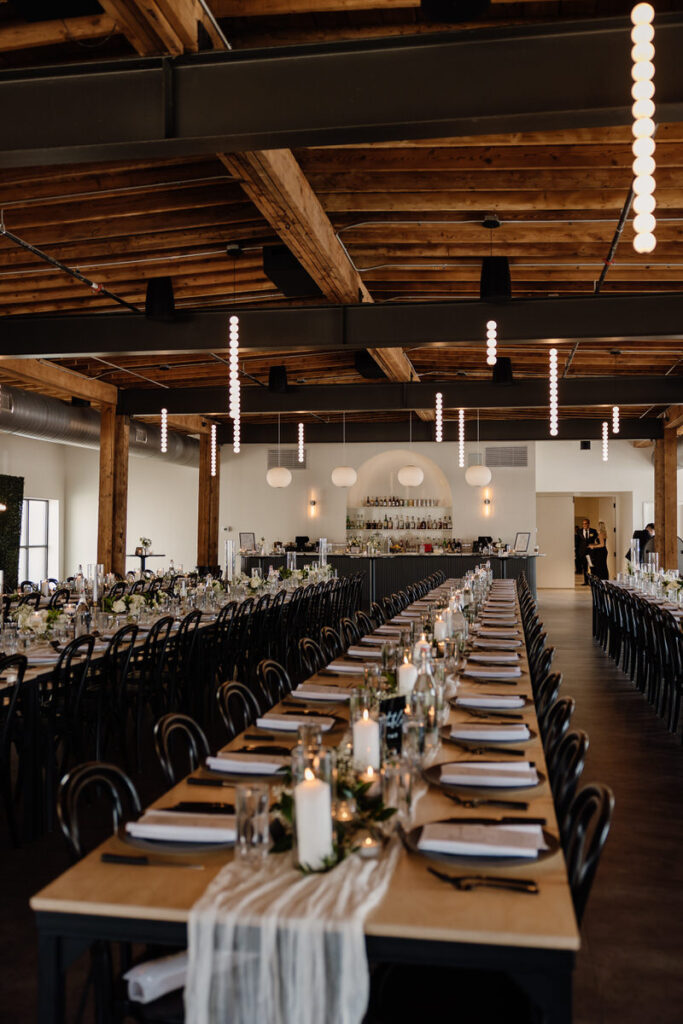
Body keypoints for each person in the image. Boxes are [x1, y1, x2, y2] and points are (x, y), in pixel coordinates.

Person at [577, 518, 598, 585]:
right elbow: (578, 542)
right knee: (585, 567)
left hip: (591, 552)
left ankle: (593, 581)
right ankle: (586, 582)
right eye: (583, 524)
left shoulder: (593, 531)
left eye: (586, 523)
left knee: (592, 567)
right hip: (582, 552)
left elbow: (596, 541)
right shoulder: (579, 531)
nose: (584, 525)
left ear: (588, 524)